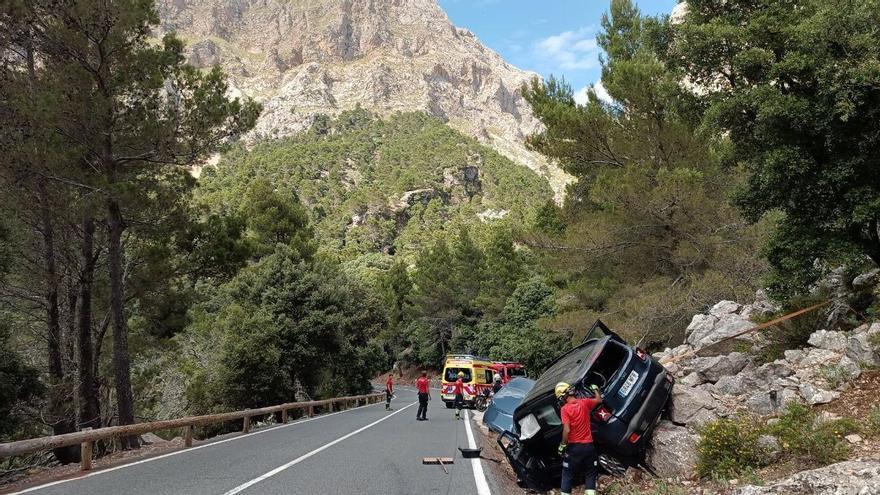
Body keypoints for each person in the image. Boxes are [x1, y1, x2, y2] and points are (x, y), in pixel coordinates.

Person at [555, 382, 602, 495]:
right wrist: (595, 389)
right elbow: (599, 400)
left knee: (567, 474)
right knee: (590, 474)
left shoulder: (564, 410)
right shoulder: (584, 402)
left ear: (562, 397)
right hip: (589, 447)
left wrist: (562, 445)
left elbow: (566, 430)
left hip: (574, 449)